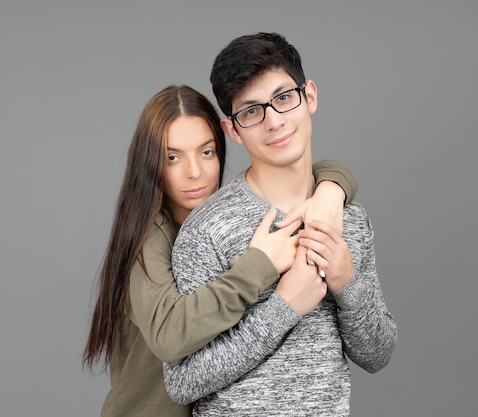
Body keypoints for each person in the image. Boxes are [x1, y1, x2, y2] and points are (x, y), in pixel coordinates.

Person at [82, 84, 359, 416]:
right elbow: (171, 336)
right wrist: (260, 266)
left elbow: (316, 171)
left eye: (206, 152)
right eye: (172, 157)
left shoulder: (220, 223)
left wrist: (333, 187)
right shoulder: (149, 236)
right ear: (150, 164)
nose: (195, 172)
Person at [163, 33, 397, 416]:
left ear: (310, 97)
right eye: (252, 111)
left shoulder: (348, 218)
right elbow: (182, 381)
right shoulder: (207, 231)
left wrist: (347, 282)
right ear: (233, 131)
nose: (274, 121)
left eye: (283, 98)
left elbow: (377, 354)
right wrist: (285, 307)